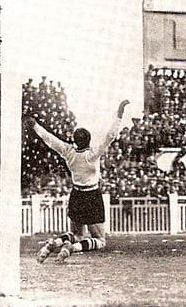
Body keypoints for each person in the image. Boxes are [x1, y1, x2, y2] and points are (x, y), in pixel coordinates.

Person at [25, 99, 129, 263]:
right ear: (88, 140)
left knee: (76, 234)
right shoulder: (92, 154)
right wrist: (119, 114)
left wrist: (35, 125)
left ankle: (54, 243)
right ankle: (72, 248)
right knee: (100, 240)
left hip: (76, 195)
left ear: (75, 140)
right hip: (92, 195)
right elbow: (110, 136)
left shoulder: (68, 152)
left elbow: (49, 139)